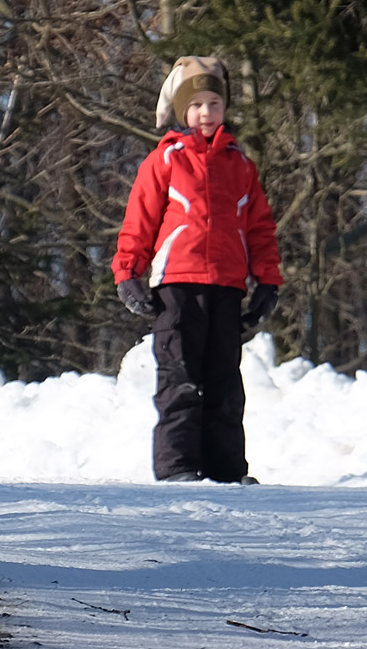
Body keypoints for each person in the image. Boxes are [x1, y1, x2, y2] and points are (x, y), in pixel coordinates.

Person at [112, 56, 284, 483]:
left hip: (227, 287)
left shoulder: (240, 165)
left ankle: (227, 469)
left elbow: (260, 227)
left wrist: (267, 282)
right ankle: (177, 466)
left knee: (225, 382)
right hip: (177, 286)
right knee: (180, 377)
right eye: (197, 105)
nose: (206, 113)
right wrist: (127, 273)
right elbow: (140, 220)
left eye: (214, 104)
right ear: (182, 110)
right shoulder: (165, 160)